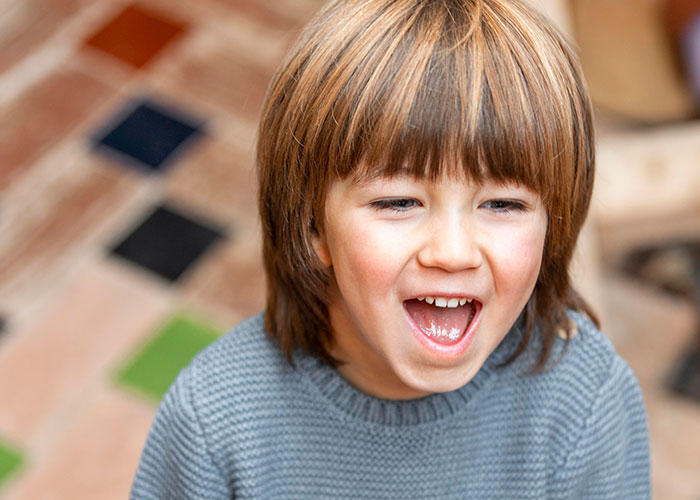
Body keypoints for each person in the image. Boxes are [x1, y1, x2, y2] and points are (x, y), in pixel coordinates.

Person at [131, 0, 650, 497]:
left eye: (502, 205)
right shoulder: (215, 422)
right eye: (400, 202)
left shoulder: (584, 400)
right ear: (312, 226)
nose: (452, 252)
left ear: (553, 225)